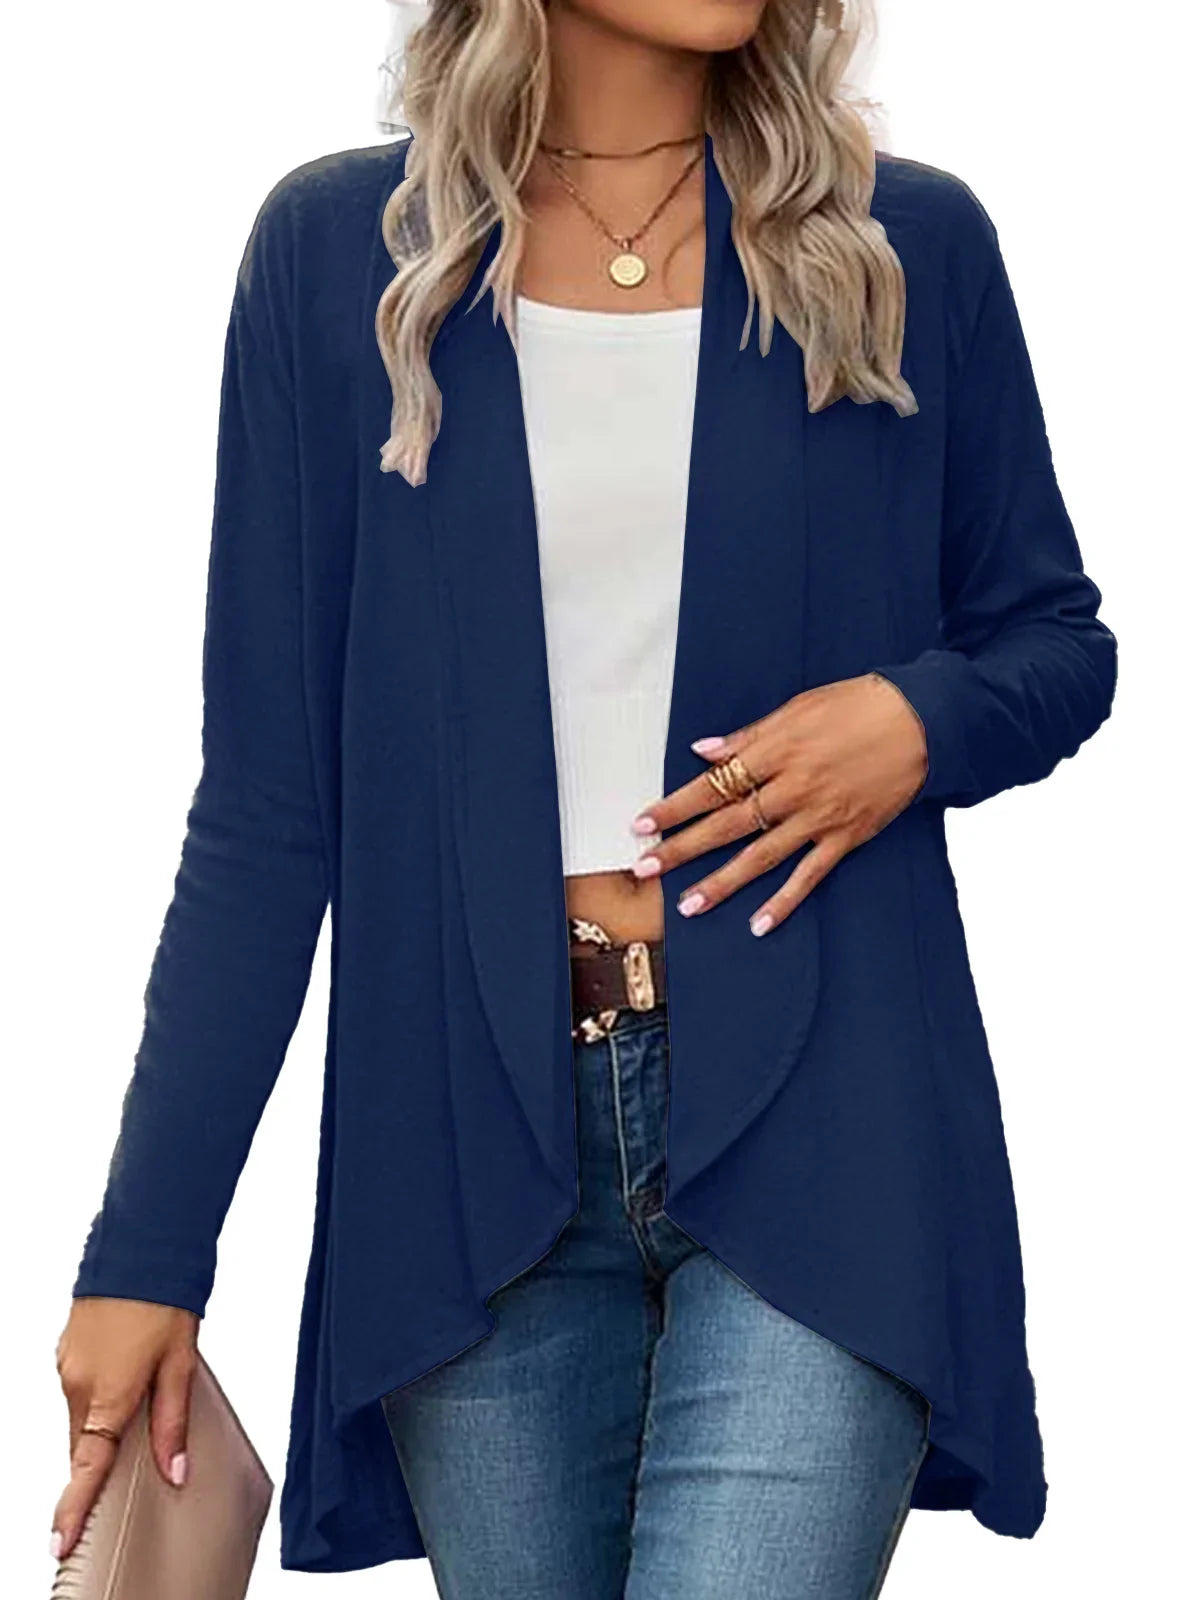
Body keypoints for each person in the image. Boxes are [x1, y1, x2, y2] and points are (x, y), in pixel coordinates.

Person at [51, 1, 1117, 1595]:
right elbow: (270, 809)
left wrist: (916, 718)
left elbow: (1052, 641)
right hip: (467, 1145)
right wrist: (149, 1250)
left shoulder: (898, 246)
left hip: (828, 1112)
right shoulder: (344, 257)